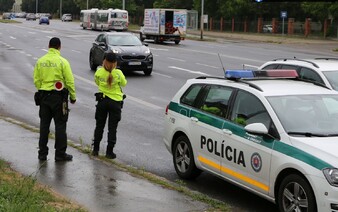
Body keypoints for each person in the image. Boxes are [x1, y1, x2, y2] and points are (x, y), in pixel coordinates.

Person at [33, 37, 76, 162]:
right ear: (59, 47)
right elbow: (69, 81)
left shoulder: (40, 61)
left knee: (44, 126)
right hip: (59, 98)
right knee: (60, 125)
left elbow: (36, 79)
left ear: (49, 46)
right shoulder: (63, 62)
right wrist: (72, 96)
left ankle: (42, 154)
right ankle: (60, 154)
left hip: (44, 98)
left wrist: (43, 89)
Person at [92, 51, 127, 159]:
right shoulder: (118, 73)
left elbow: (97, 82)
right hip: (115, 103)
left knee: (99, 126)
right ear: (115, 62)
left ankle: (95, 149)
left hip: (102, 101)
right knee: (112, 128)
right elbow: (124, 83)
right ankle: (109, 151)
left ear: (104, 61)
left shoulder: (99, 72)